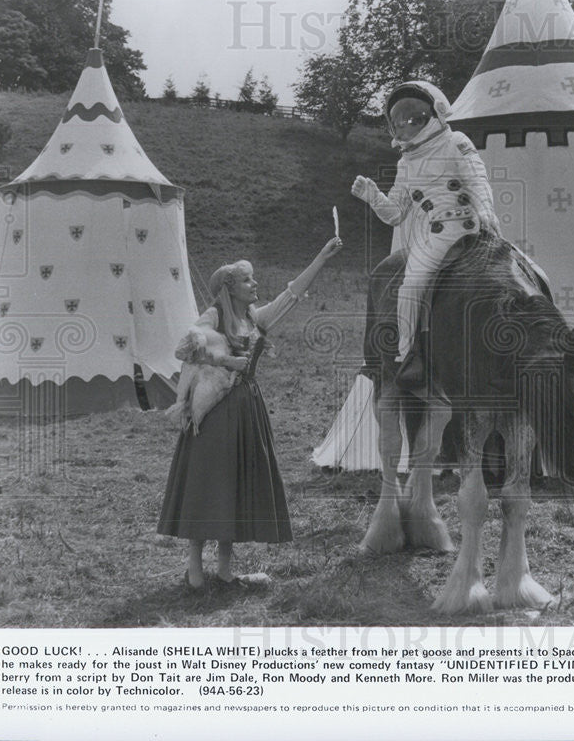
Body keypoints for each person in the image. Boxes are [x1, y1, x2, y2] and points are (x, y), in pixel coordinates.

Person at [158, 237, 343, 591]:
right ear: (230, 288)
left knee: (235, 484)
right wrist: (227, 360)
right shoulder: (214, 315)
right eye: (247, 280)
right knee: (207, 481)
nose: (254, 284)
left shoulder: (254, 317)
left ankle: (226, 571)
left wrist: (321, 256)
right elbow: (186, 347)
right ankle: (195, 569)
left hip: (247, 409)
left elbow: (291, 295)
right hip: (214, 411)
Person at [351, 80, 500, 385]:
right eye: (399, 122)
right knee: (411, 286)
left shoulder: (455, 141)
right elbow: (395, 214)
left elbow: (477, 180)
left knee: (526, 274)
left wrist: (485, 211)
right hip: (437, 236)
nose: (406, 127)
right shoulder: (406, 163)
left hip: (473, 226)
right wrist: (373, 196)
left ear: (435, 113)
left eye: (414, 118)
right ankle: (407, 357)